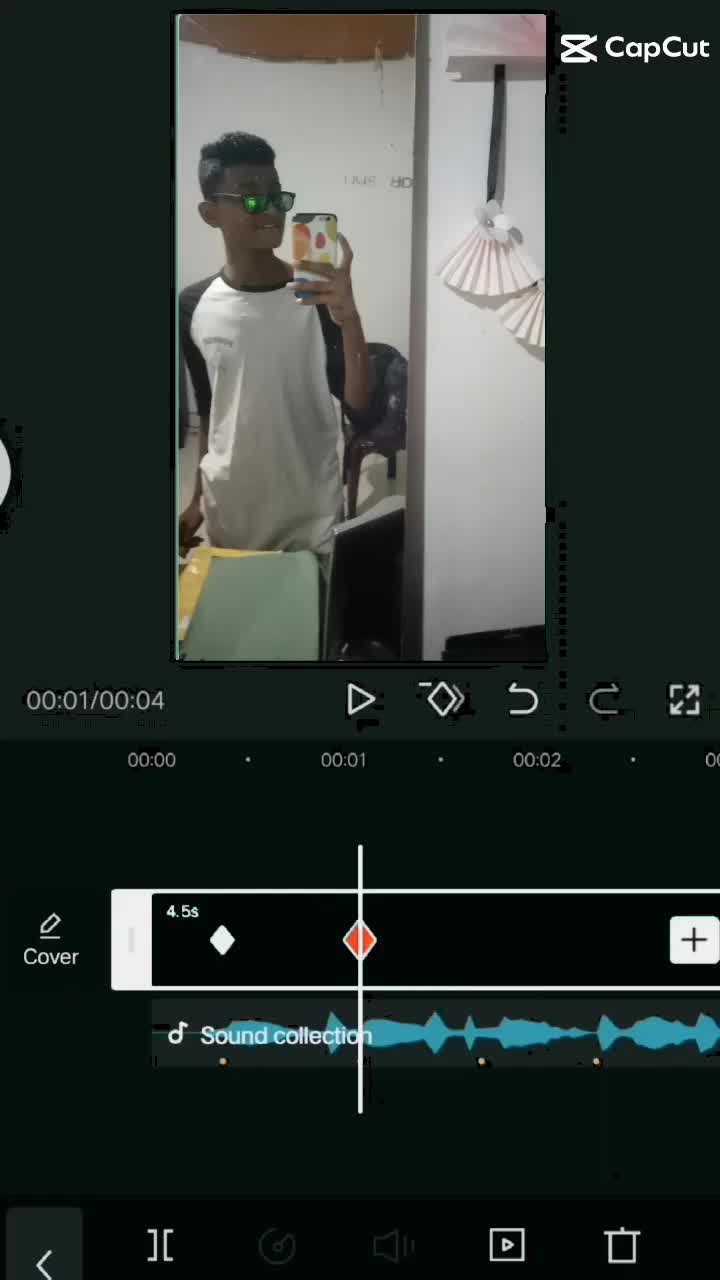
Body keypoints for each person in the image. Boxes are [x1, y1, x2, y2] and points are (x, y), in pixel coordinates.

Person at [179, 131, 374, 558]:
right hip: (231, 504)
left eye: (276, 195)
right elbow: (211, 409)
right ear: (210, 214)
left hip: (308, 507)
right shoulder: (192, 304)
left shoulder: (316, 296)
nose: (270, 210)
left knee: (308, 599)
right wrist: (195, 501)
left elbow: (358, 404)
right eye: (251, 198)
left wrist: (350, 319)